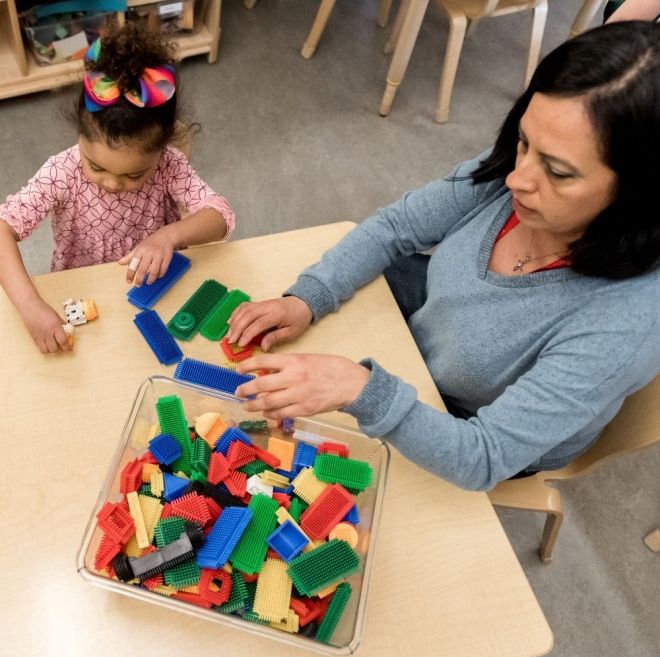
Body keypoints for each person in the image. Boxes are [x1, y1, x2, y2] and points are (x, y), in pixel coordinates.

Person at [226, 22, 660, 492]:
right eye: (523, 140)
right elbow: (398, 227)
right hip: (433, 330)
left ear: (637, 195)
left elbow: (484, 456)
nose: (518, 178)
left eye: (556, 172)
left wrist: (360, 390)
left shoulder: (626, 322)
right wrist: (307, 298)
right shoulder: (520, 167)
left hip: (471, 425)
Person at [0, 24, 235, 354]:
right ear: (79, 135)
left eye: (134, 175)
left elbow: (221, 217)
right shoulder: (62, 171)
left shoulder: (168, 164)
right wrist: (29, 308)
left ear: (162, 149)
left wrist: (169, 236)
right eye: (95, 166)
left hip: (156, 285)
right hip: (85, 289)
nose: (111, 184)